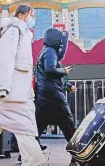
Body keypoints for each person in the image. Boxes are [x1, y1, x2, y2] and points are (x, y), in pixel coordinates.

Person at [0, 4, 45, 166]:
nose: (33, 19)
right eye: (32, 15)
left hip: (17, 91)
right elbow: (5, 59)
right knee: (25, 127)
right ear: (23, 15)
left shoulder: (23, 33)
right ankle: (33, 161)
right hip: (12, 92)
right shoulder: (14, 31)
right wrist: (2, 88)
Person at [34, 28, 77, 165]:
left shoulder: (44, 51)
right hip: (54, 97)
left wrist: (68, 87)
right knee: (69, 126)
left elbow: (49, 77)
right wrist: (64, 71)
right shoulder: (50, 51)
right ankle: (79, 154)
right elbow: (50, 70)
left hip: (45, 96)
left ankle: (27, 154)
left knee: (37, 128)